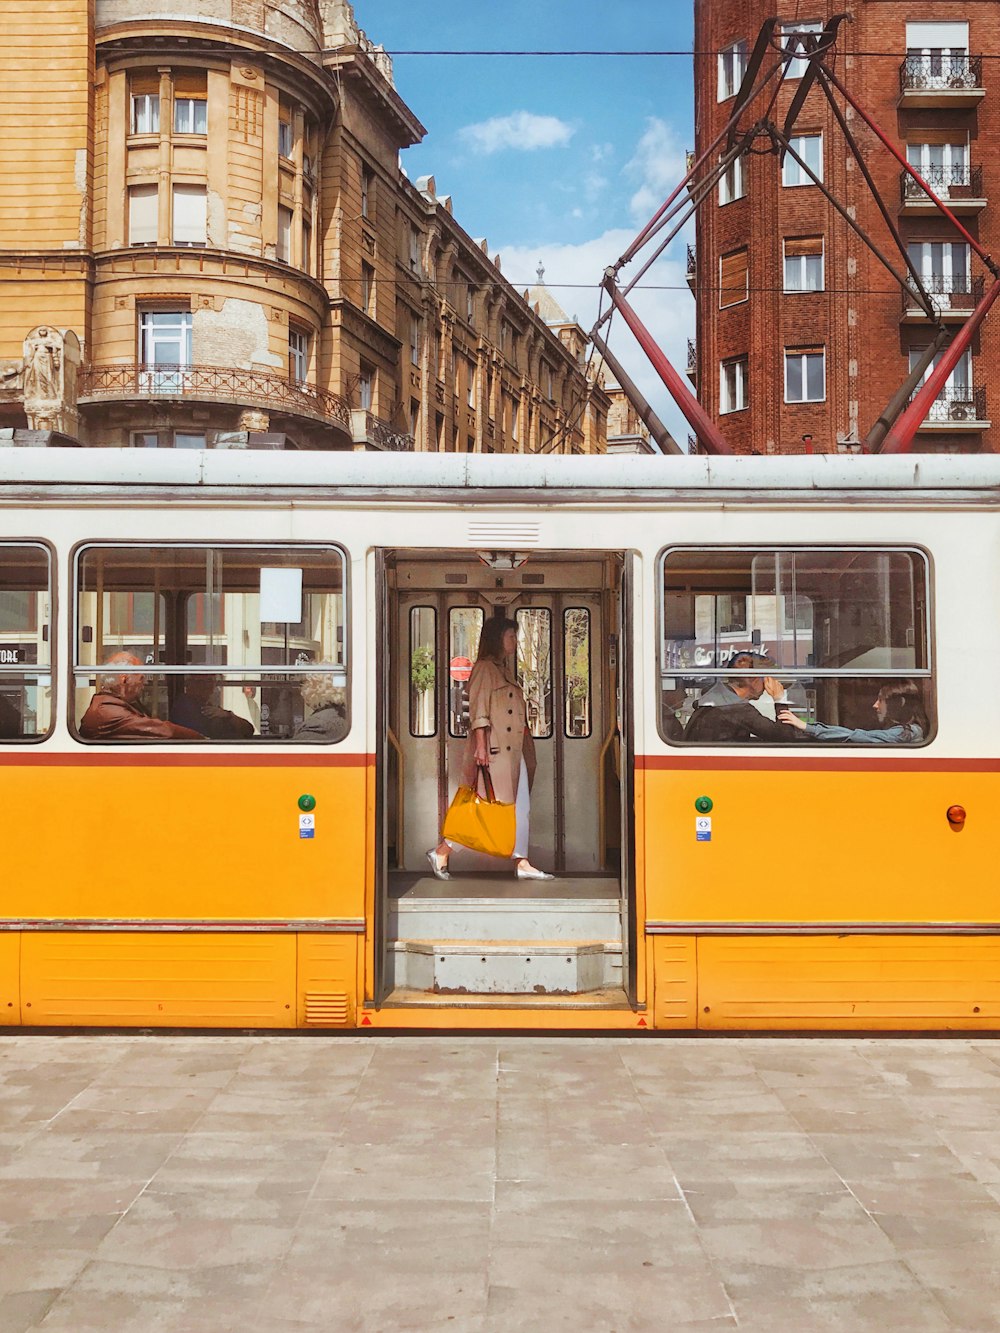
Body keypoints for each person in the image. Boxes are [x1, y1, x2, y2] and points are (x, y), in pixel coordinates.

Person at [427, 612, 550, 881]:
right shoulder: (484, 669)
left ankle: (521, 862)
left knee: (517, 807)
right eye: (510, 636)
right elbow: (479, 712)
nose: (515, 642)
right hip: (496, 752)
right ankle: (443, 849)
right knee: (488, 808)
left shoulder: (501, 669)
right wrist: (480, 748)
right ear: (497, 639)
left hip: (512, 751)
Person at [80, 652, 202, 740]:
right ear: (124, 680)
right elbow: (161, 730)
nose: (144, 684)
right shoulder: (107, 711)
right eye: (141, 678)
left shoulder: (113, 704)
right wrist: (200, 738)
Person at [683, 651, 799, 743]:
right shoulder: (735, 708)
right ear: (754, 679)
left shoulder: (719, 698)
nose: (766, 686)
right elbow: (785, 738)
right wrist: (779, 700)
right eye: (766, 679)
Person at [778, 679, 928, 743]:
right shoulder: (908, 730)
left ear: (898, 703)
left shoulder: (905, 734)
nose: (875, 705)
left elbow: (857, 736)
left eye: (881, 700)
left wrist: (807, 727)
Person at [171, 673, 254, 739]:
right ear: (190, 684)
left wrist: (228, 715)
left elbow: (249, 730)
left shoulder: (209, 706)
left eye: (210, 682)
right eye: (200, 682)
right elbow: (205, 733)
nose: (207, 686)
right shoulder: (185, 705)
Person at [294, 670, 348, 741]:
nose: (301, 693)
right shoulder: (341, 713)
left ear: (316, 689)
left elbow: (299, 749)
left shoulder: (318, 724)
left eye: (304, 687)